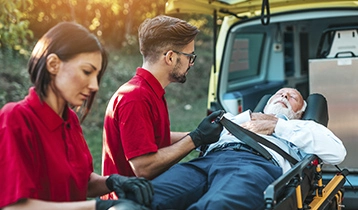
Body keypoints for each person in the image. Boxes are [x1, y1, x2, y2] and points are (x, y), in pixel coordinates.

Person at [0, 22, 153, 210]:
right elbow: (14, 207)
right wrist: (96, 207)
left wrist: (113, 182)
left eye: (96, 76)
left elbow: (82, 180)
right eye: (87, 72)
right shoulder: (15, 118)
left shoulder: (70, 120)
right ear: (53, 64)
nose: (94, 86)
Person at [150, 87, 347, 210]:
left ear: (301, 112)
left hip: (255, 165)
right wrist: (149, 138)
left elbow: (337, 153)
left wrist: (277, 125)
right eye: (279, 93)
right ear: (268, 102)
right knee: (148, 195)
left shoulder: (302, 127)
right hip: (206, 161)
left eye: (293, 96)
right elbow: (193, 136)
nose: (284, 94)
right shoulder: (235, 118)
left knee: (218, 205)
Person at [101, 14, 224, 194]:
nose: (191, 63)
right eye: (190, 56)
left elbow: (153, 138)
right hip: (130, 203)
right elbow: (144, 167)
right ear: (171, 57)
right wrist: (196, 138)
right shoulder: (135, 97)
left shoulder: (149, 91)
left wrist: (200, 137)